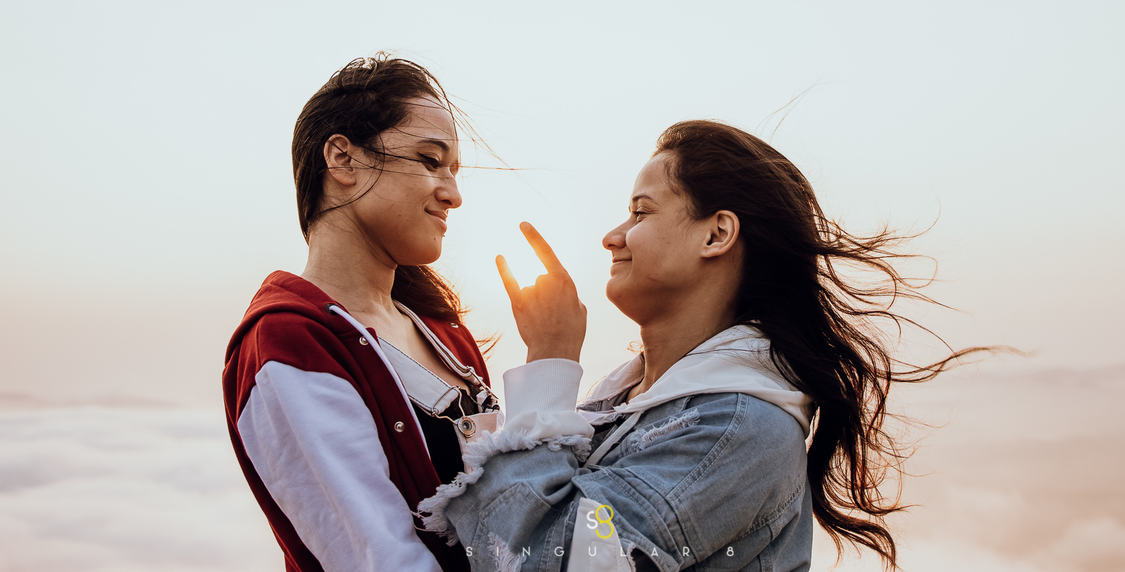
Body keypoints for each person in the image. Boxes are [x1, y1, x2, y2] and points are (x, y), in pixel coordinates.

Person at [419, 119, 982, 571]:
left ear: (716, 234)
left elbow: (541, 560)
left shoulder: (740, 425)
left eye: (640, 212)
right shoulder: (628, 402)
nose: (612, 236)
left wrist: (549, 361)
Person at [223, 55, 499, 572]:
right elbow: (380, 559)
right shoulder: (288, 344)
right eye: (430, 160)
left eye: (454, 171)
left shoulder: (443, 331)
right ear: (344, 160)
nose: (454, 194)